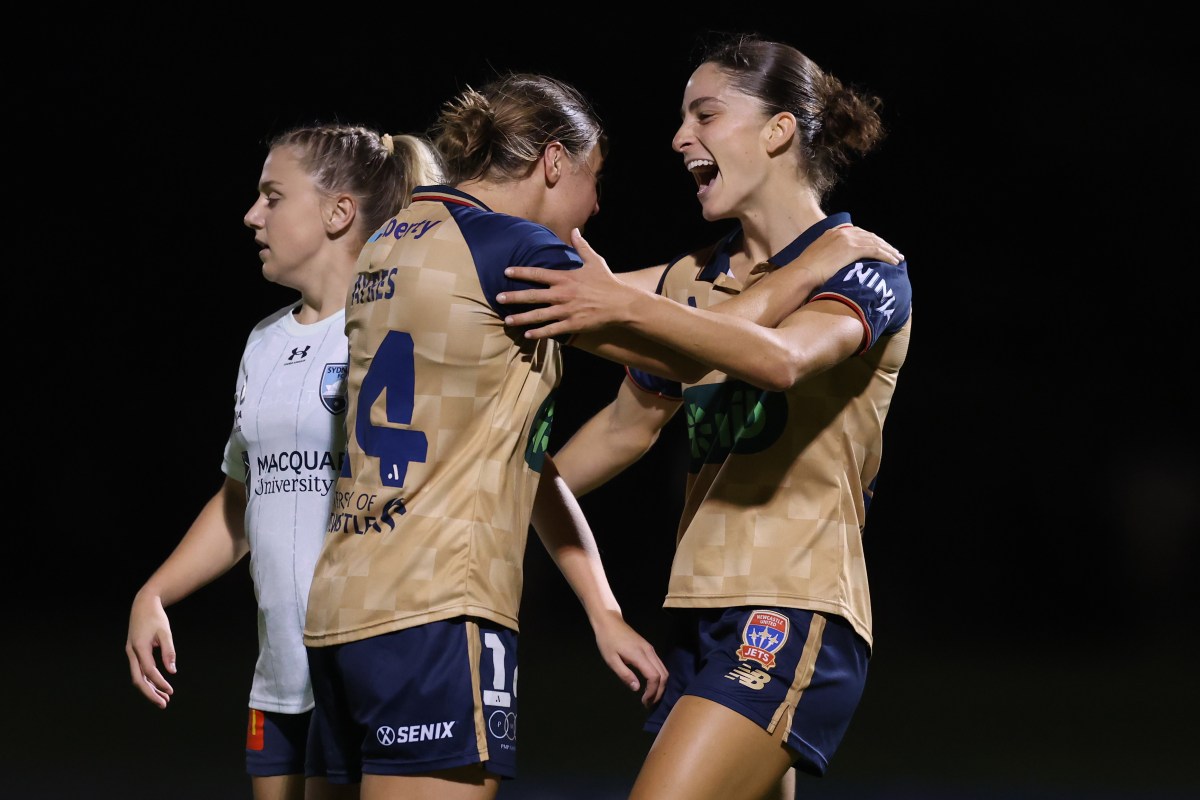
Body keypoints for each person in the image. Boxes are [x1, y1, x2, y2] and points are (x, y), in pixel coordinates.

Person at [497, 33, 912, 800]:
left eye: (706, 114)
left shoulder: (863, 265)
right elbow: (625, 428)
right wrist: (497, 496)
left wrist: (621, 305)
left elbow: (781, 359)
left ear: (779, 130)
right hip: (699, 611)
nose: (680, 137)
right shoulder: (693, 279)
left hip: (793, 605)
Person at [300, 72, 677, 800]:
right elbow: (678, 340)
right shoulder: (511, 246)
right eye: (595, 179)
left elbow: (521, 462)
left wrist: (602, 611)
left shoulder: (391, 239)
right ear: (555, 161)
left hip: (343, 610)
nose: (597, 206)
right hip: (437, 611)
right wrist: (757, 274)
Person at [125, 123, 445, 800]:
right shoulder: (264, 342)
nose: (253, 215)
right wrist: (153, 593)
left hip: (362, 668)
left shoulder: (396, 329)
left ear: (338, 212)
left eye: (273, 197)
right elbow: (241, 499)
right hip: (278, 678)